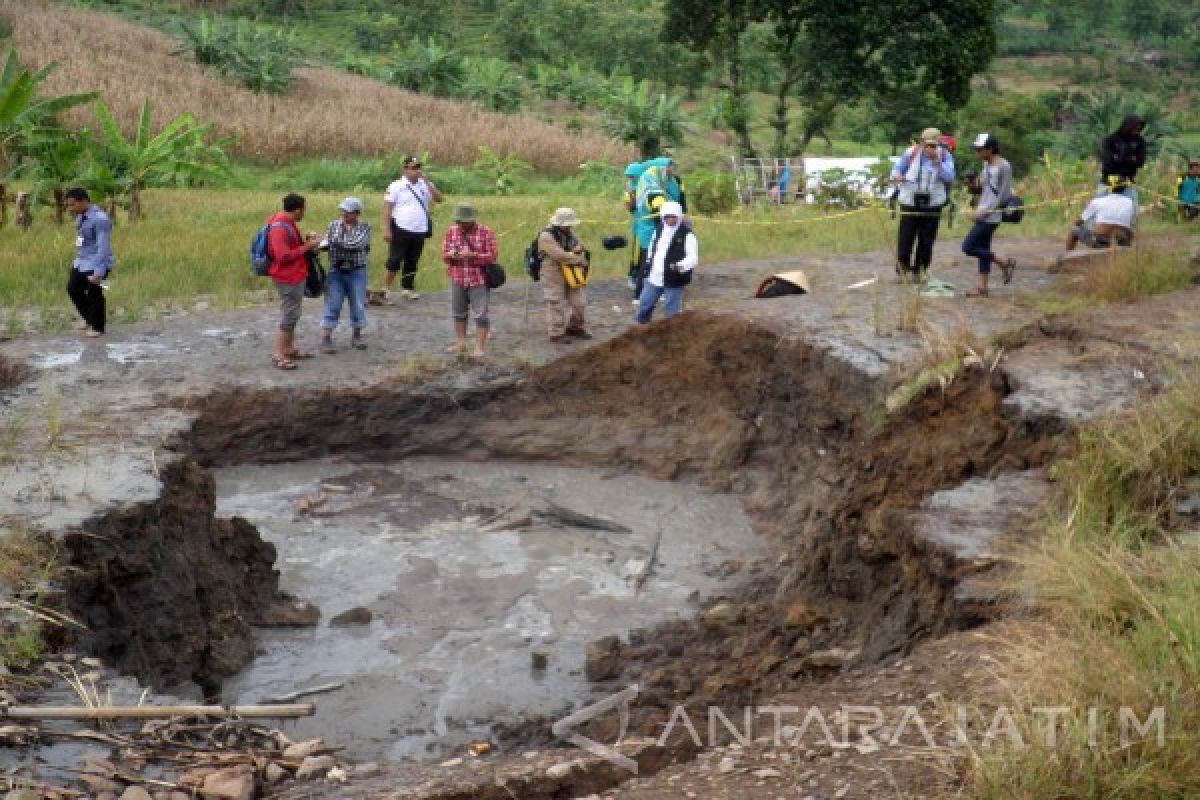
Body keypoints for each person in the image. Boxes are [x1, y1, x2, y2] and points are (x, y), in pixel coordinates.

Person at [890, 127, 955, 283]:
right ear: (921, 143)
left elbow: (950, 177)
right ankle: (903, 271)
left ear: (939, 144)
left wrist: (938, 163)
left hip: (933, 203)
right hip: (910, 201)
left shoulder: (945, 156)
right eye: (927, 145)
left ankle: (920, 271)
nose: (930, 148)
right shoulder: (910, 153)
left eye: (934, 145)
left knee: (926, 240)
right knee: (905, 239)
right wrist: (898, 175)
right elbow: (896, 169)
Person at [266, 193, 322, 369]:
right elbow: (283, 255)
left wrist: (306, 240)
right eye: (303, 210)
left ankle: (289, 349)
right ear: (297, 210)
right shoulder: (280, 228)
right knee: (289, 315)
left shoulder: (285, 222)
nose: (304, 213)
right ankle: (279, 354)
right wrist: (308, 246)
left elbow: (291, 246)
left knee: (293, 313)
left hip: (294, 275)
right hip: (287, 277)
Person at [961, 133, 1017, 298]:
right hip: (983, 213)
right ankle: (982, 288)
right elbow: (986, 190)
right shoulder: (987, 165)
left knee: (968, 247)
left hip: (990, 216)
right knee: (983, 249)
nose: (977, 153)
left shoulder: (1004, 166)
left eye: (980, 149)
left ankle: (1004, 262)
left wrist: (982, 212)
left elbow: (1004, 196)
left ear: (990, 149)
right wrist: (974, 187)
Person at [382, 155, 443, 300]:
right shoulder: (396, 186)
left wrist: (427, 181)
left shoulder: (425, 185)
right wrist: (386, 229)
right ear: (405, 170)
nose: (417, 171)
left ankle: (407, 288)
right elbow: (387, 209)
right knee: (395, 260)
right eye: (413, 168)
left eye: (419, 167)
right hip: (401, 227)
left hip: (419, 229)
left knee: (412, 260)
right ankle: (385, 288)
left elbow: (439, 198)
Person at [441, 204, 497, 358]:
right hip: (457, 277)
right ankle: (461, 343)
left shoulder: (486, 232)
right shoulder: (451, 231)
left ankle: (479, 347)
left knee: (481, 315)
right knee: (458, 313)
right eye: (459, 221)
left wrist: (473, 255)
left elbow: (492, 256)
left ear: (472, 220)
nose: (461, 224)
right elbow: (444, 256)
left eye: (464, 221)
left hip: (478, 279)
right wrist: (451, 255)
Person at [319, 197, 372, 353]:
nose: (344, 215)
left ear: (357, 213)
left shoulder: (365, 227)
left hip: (357, 269)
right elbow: (327, 245)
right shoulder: (333, 225)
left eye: (348, 212)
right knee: (333, 303)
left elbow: (356, 245)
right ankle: (326, 337)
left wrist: (332, 241)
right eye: (343, 211)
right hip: (336, 269)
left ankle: (357, 336)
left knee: (358, 303)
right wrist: (326, 243)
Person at [636, 201, 698, 324]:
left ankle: (673, 336)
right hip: (654, 277)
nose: (670, 220)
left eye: (673, 217)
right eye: (667, 217)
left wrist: (680, 266)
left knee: (672, 312)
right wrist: (648, 262)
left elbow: (693, 258)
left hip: (674, 278)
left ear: (679, 217)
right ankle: (642, 328)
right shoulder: (658, 230)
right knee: (644, 304)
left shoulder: (687, 235)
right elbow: (652, 247)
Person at [632, 158, 686, 299]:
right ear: (659, 169)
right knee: (649, 262)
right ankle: (641, 294)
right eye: (667, 168)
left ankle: (645, 293)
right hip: (651, 231)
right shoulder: (653, 190)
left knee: (649, 261)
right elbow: (660, 211)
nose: (669, 171)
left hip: (648, 230)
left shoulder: (649, 184)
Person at [64, 187, 114, 338]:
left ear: (84, 201)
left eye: (72, 204)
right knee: (73, 289)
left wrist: (99, 272)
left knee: (95, 294)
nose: (70, 208)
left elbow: (103, 248)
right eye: (68, 205)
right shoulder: (81, 216)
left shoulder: (100, 220)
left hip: (96, 262)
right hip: (82, 261)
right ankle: (89, 319)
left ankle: (98, 327)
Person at [538, 207, 592, 343]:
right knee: (556, 301)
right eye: (568, 225)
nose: (570, 227)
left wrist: (578, 249)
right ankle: (556, 333)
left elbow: (580, 245)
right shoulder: (546, 236)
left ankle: (575, 327)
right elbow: (559, 255)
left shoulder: (569, 233)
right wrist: (579, 259)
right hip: (552, 271)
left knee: (579, 302)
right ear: (559, 223)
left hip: (570, 269)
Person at [1066, 182, 1134, 250]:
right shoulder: (1130, 202)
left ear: (1108, 187)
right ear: (1125, 188)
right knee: (1129, 231)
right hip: (1122, 242)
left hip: (1100, 242)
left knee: (1074, 229)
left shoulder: (1098, 201)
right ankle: (1125, 250)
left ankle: (1067, 257)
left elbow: (1078, 222)